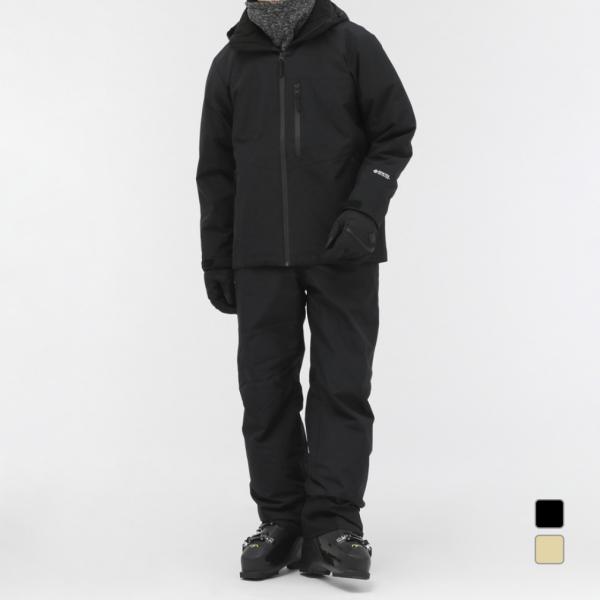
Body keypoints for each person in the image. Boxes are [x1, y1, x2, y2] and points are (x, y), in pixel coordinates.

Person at [196, 0, 416, 581]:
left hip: (345, 249)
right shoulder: (230, 64)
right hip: (259, 257)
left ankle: (334, 526)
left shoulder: (354, 46)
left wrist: (365, 210)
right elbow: (215, 170)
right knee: (265, 390)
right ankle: (281, 522)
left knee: (342, 386)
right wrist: (217, 255)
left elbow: (394, 132)